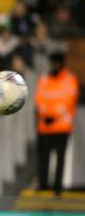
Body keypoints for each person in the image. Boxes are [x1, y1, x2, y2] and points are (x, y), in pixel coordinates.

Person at [35, 52, 79, 194]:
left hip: (61, 127)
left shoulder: (70, 79)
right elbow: (39, 98)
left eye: (57, 63)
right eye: (52, 63)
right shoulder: (44, 78)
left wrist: (53, 115)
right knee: (43, 157)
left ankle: (57, 186)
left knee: (60, 158)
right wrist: (45, 114)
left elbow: (69, 100)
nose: (54, 66)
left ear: (62, 63)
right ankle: (43, 184)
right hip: (45, 126)